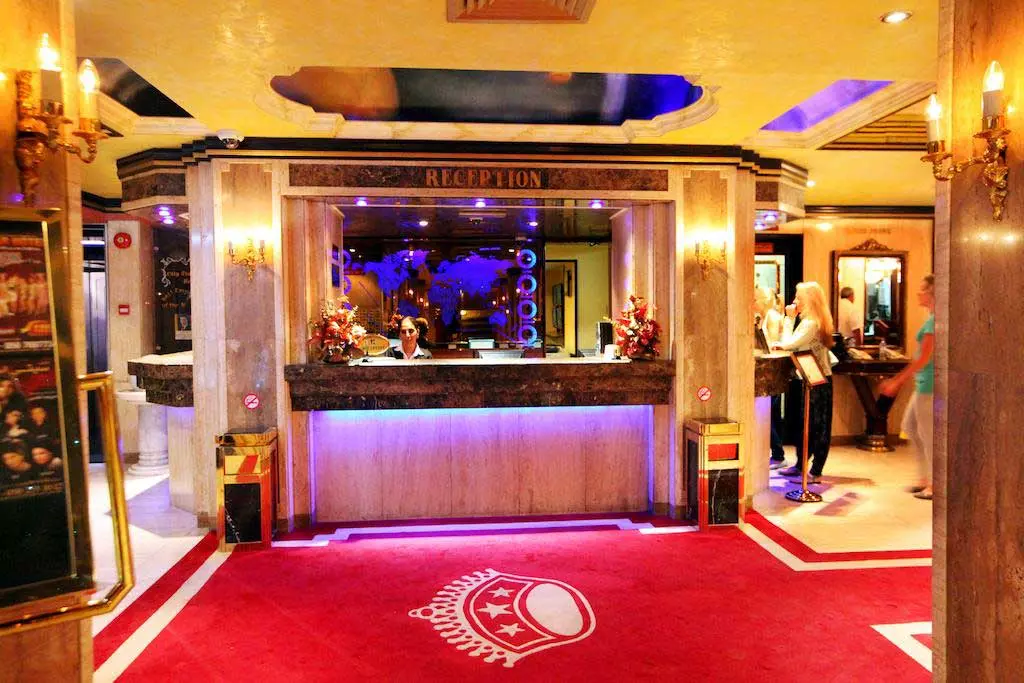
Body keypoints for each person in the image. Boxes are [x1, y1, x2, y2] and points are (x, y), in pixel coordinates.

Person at [771, 281, 835, 483]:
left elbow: (788, 344)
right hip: (812, 377)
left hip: (817, 379)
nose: (795, 301)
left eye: (798, 297)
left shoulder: (811, 323)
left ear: (809, 300)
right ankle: (802, 466)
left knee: (817, 425)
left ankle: (814, 472)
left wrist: (789, 319)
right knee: (807, 423)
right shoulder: (811, 321)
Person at [879, 274, 935, 500]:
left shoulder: (935, 322)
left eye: (922, 289)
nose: (918, 293)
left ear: (932, 293)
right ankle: (924, 479)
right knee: (911, 427)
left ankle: (934, 484)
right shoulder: (931, 318)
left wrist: (897, 381)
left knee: (928, 434)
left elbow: (924, 358)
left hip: (930, 385)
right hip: (923, 383)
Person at [754, 287, 786, 468]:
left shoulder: (772, 317)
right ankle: (775, 452)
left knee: (770, 414)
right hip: (766, 371)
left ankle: (778, 454)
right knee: (769, 413)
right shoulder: (762, 317)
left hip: (772, 372)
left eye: (754, 300)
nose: (752, 304)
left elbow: (772, 344)